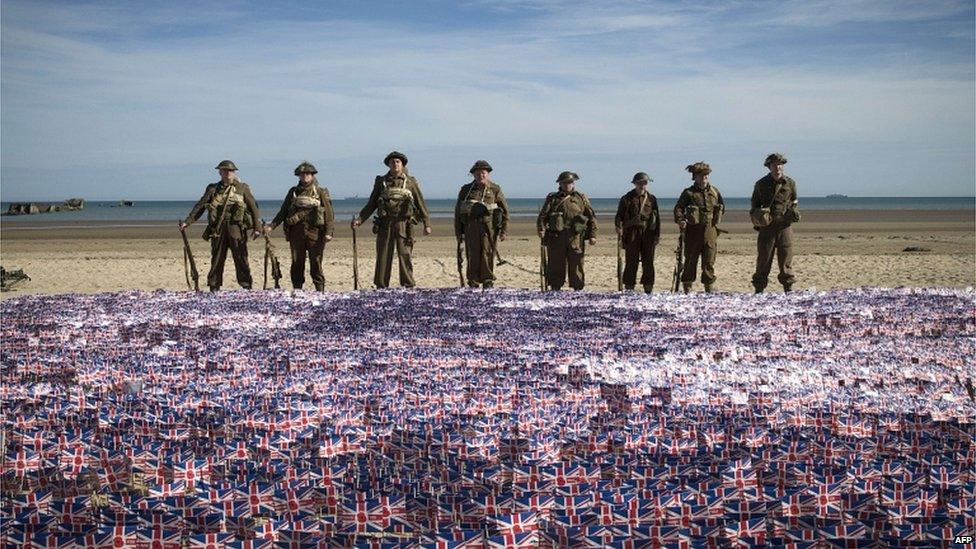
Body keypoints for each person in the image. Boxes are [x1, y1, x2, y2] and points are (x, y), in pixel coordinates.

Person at [351, 151, 431, 288]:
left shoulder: (410, 182)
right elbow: (372, 204)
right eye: (392, 162)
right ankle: (381, 285)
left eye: (398, 162)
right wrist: (359, 220)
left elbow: (420, 203)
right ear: (388, 164)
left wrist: (427, 224)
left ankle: (408, 284)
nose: (395, 164)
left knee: (405, 254)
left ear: (402, 164)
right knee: (383, 255)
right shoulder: (381, 182)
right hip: (385, 224)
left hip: (404, 224)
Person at [181, 160, 261, 292]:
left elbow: (254, 208)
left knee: (241, 257)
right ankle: (214, 285)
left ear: (234, 172)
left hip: (236, 228)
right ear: (220, 172)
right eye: (224, 170)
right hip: (218, 228)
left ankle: (246, 285)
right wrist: (187, 222)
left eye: (230, 171)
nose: (228, 173)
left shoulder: (242, 188)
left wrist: (257, 228)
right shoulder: (213, 189)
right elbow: (200, 206)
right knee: (217, 258)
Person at [265, 162, 335, 291]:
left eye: (307, 174)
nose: (305, 177)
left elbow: (329, 214)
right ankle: (297, 289)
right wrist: (272, 226)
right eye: (302, 174)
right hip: (296, 234)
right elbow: (283, 211)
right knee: (297, 263)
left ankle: (320, 290)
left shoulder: (320, 192)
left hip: (316, 233)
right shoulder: (293, 192)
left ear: (312, 175)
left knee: (316, 263)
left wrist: (329, 232)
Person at [537, 171, 597, 291]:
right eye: (564, 183)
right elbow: (542, 217)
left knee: (576, 263)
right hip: (556, 237)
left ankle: (577, 288)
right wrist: (541, 229)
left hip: (575, 237)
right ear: (560, 184)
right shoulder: (553, 198)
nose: (567, 185)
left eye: (569, 182)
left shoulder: (581, 198)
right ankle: (555, 287)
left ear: (573, 183)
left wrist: (592, 235)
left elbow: (591, 217)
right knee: (556, 263)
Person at [454, 160, 510, 288]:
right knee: (472, 254)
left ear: (488, 174)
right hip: (470, 227)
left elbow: (505, 211)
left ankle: (487, 280)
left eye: (483, 173)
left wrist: (504, 231)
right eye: (478, 173)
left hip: (489, 228)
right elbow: (458, 212)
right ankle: (473, 281)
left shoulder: (495, 189)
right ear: (473, 175)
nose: (481, 175)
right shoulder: (466, 190)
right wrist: (458, 232)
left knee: (487, 253)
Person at [750, 152, 799, 293]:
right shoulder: (761, 184)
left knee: (786, 259)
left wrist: (793, 212)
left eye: (780, 164)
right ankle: (759, 289)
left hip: (785, 226)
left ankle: (788, 288)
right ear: (769, 167)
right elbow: (754, 206)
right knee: (764, 260)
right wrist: (760, 218)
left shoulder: (790, 183)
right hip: (767, 228)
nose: (778, 167)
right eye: (774, 164)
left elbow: (794, 201)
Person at [673, 161, 725, 293]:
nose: (704, 178)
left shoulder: (715, 192)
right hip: (693, 232)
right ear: (694, 177)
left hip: (710, 232)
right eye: (701, 175)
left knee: (709, 261)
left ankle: (709, 289)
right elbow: (678, 208)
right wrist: (681, 220)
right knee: (690, 261)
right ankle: (687, 289)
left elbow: (722, 207)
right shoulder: (688, 193)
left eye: (706, 175)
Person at [615, 172, 660, 292]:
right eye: (640, 183)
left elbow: (657, 218)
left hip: (648, 233)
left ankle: (648, 288)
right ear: (635, 184)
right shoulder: (627, 198)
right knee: (631, 261)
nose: (642, 185)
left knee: (648, 262)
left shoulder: (652, 199)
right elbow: (619, 216)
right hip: (632, 234)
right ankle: (629, 287)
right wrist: (619, 228)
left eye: (645, 183)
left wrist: (657, 235)